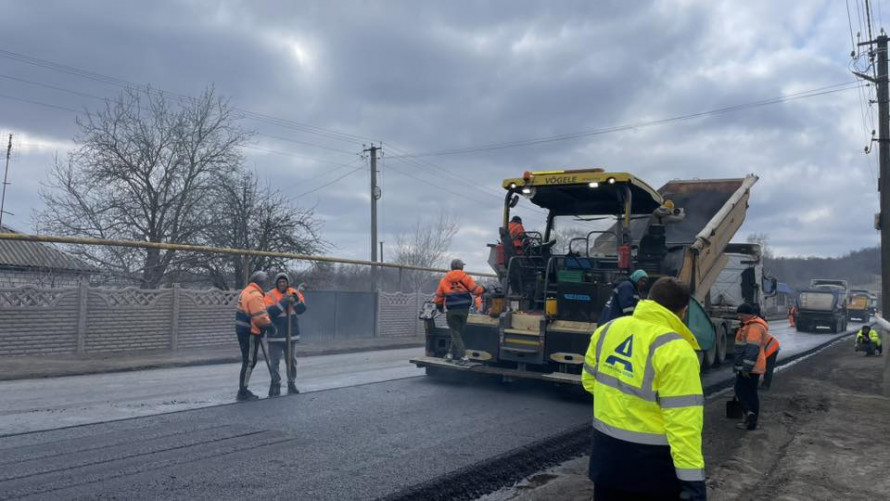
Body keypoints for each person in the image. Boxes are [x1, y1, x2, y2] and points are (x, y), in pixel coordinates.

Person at [582, 277, 706, 501]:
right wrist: (693, 484)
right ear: (683, 311)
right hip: (652, 472)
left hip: (605, 461)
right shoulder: (677, 350)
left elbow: (589, 382)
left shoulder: (608, 330)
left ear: (648, 299)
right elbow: (683, 425)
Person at [434, 258, 485, 363]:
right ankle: (450, 354)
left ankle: (463, 356)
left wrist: (439, 307)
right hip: (464, 310)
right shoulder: (466, 278)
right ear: (461, 267)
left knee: (455, 333)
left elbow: (439, 296)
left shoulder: (444, 280)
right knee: (458, 333)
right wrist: (484, 288)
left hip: (452, 310)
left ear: (451, 267)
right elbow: (476, 291)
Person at [264, 272, 307, 396]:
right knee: (274, 362)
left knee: (291, 361)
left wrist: (295, 300)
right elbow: (271, 312)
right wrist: (284, 302)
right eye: (280, 282)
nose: (282, 284)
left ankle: (291, 383)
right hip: (276, 335)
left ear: (287, 283)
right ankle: (275, 384)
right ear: (276, 283)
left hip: (290, 335)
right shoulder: (270, 295)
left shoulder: (294, 292)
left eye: (284, 282)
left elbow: (302, 309)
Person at [235, 271, 275, 401]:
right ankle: (243, 391)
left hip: (244, 330)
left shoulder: (247, 291)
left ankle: (243, 389)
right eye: (265, 282)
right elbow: (260, 317)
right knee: (250, 361)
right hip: (249, 332)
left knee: (249, 360)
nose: (266, 284)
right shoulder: (255, 295)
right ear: (261, 282)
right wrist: (270, 327)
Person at [733, 303, 768, 430]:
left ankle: (750, 414)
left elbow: (752, 349)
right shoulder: (751, 325)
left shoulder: (754, 327)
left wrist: (745, 368)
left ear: (747, 315)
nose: (739, 318)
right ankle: (751, 419)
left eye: (741, 315)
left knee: (741, 390)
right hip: (752, 366)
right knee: (750, 392)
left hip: (750, 367)